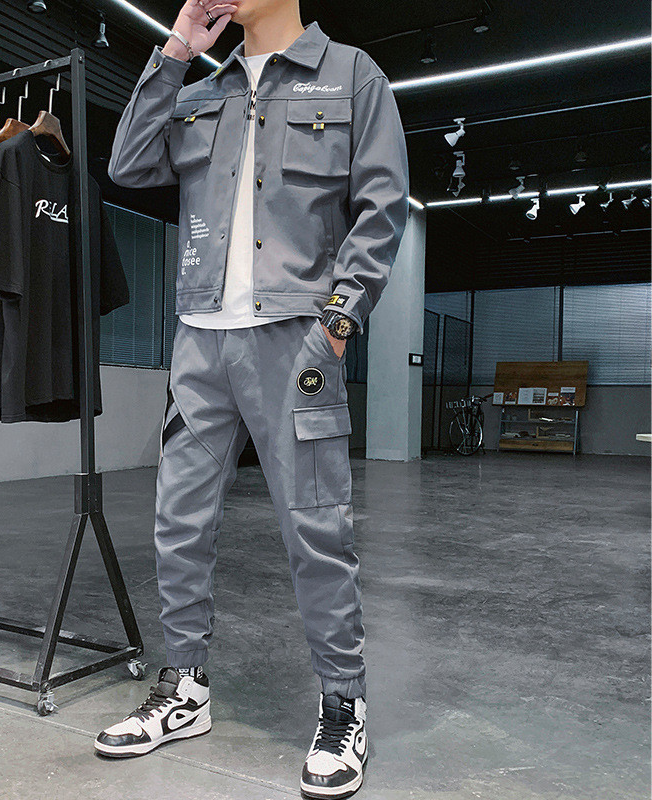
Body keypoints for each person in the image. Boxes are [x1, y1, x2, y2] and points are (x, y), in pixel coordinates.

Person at [95, 1, 409, 796]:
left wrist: (337, 323)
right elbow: (128, 165)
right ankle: (185, 690)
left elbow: (382, 206)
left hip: (295, 339)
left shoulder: (352, 77)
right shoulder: (206, 90)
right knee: (178, 523)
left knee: (315, 528)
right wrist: (176, 51)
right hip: (200, 341)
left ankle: (343, 704)